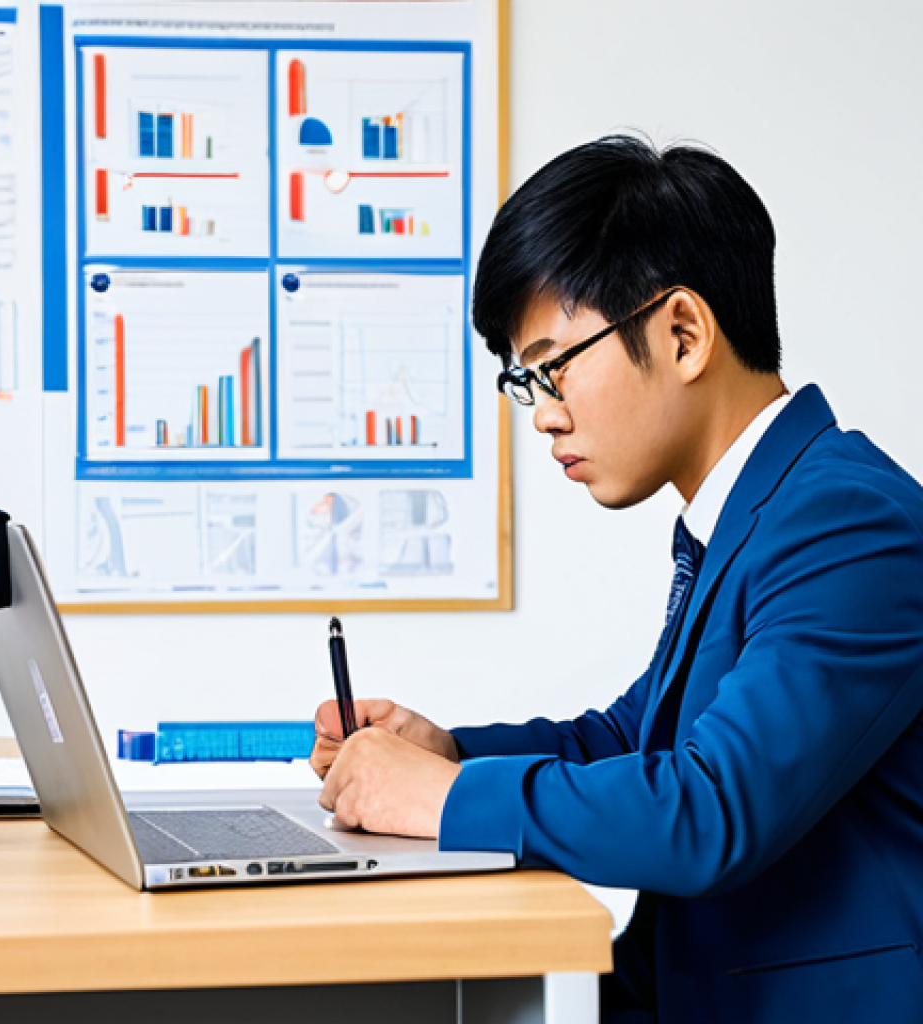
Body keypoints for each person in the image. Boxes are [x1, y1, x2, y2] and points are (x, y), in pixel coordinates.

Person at [310, 135, 923, 1023]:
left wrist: (441, 798)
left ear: (683, 334)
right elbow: (635, 738)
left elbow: (712, 807)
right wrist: (449, 754)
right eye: (528, 381)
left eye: (555, 366)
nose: (544, 415)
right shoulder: (754, 513)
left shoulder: (849, 524)